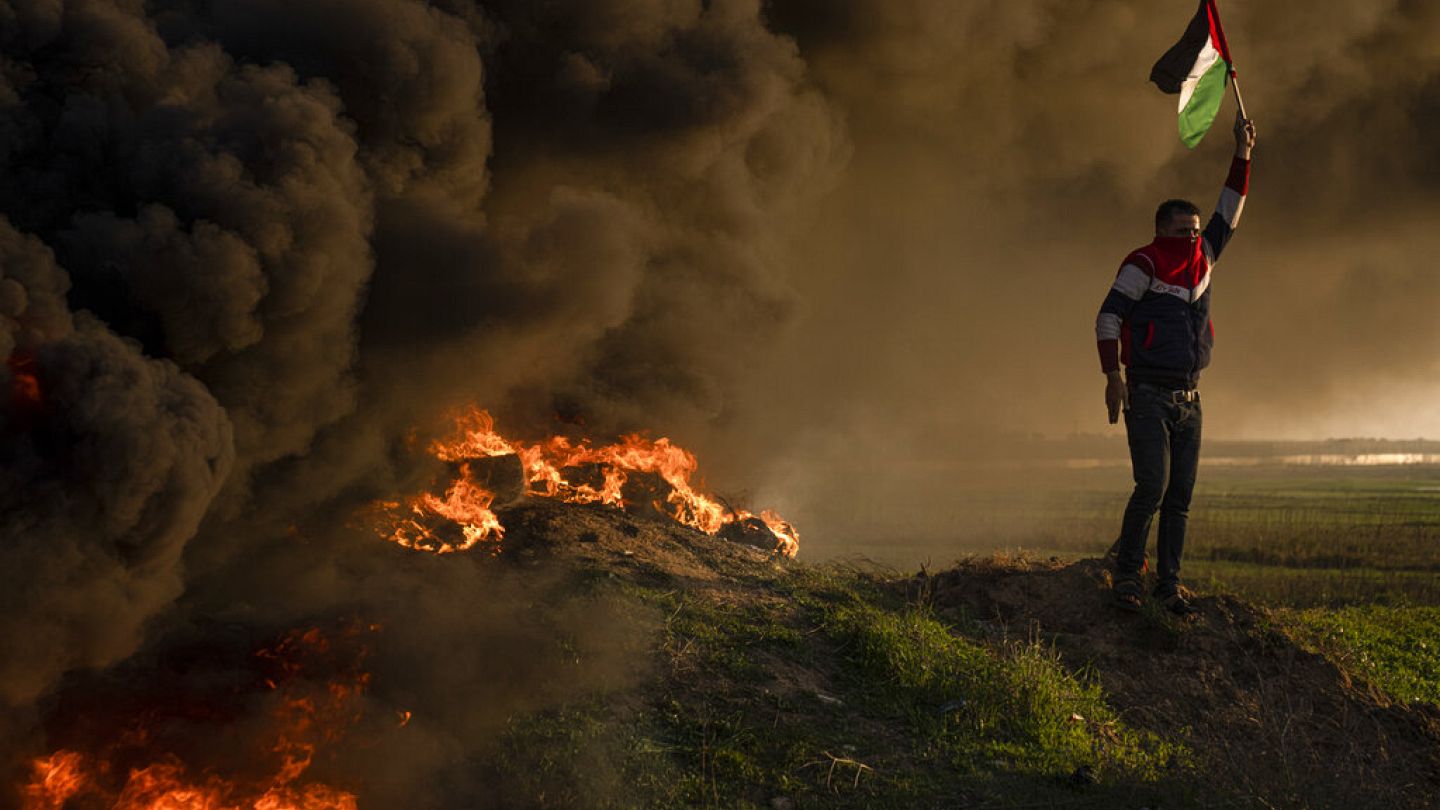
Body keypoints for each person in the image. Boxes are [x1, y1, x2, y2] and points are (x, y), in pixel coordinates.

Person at [1094, 112, 1257, 616]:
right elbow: (1107, 318)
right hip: (1146, 394)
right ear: (1160, 229)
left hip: (1191, 399)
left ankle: (1169, 585)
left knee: (1180, 498)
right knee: (1152, 487)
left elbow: (1229, 209)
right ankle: (1126, 576)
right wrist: (1113, 379)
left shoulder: (1204, 258)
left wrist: (1243, 153)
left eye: (1193, 228)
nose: (1191, 235)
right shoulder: (1142, 263)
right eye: (1181, 229)